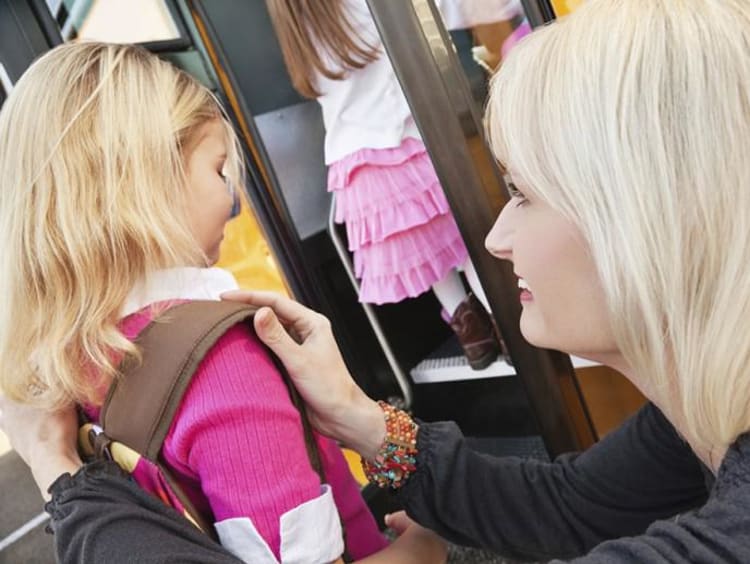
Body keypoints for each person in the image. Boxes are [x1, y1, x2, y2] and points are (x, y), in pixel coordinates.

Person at [5, 0, 750, 561]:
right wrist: (363, 419)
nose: (496, 235)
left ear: (651, 219)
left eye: (523, 193)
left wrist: (65, 479)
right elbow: (571, 503)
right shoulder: (700, 427)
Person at [0, 41, 441, 564]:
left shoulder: (78, 351)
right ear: (146, 182)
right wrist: (423, 548)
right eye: (217, 169)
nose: (232, 199)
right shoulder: (224, 365)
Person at [266, 0, 523, 369]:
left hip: (356, 165)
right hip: (401, 143)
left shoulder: (297, 20)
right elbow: (446, 11)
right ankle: (507, 324)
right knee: (466, 245)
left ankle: (472, 335)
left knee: (428, 252)